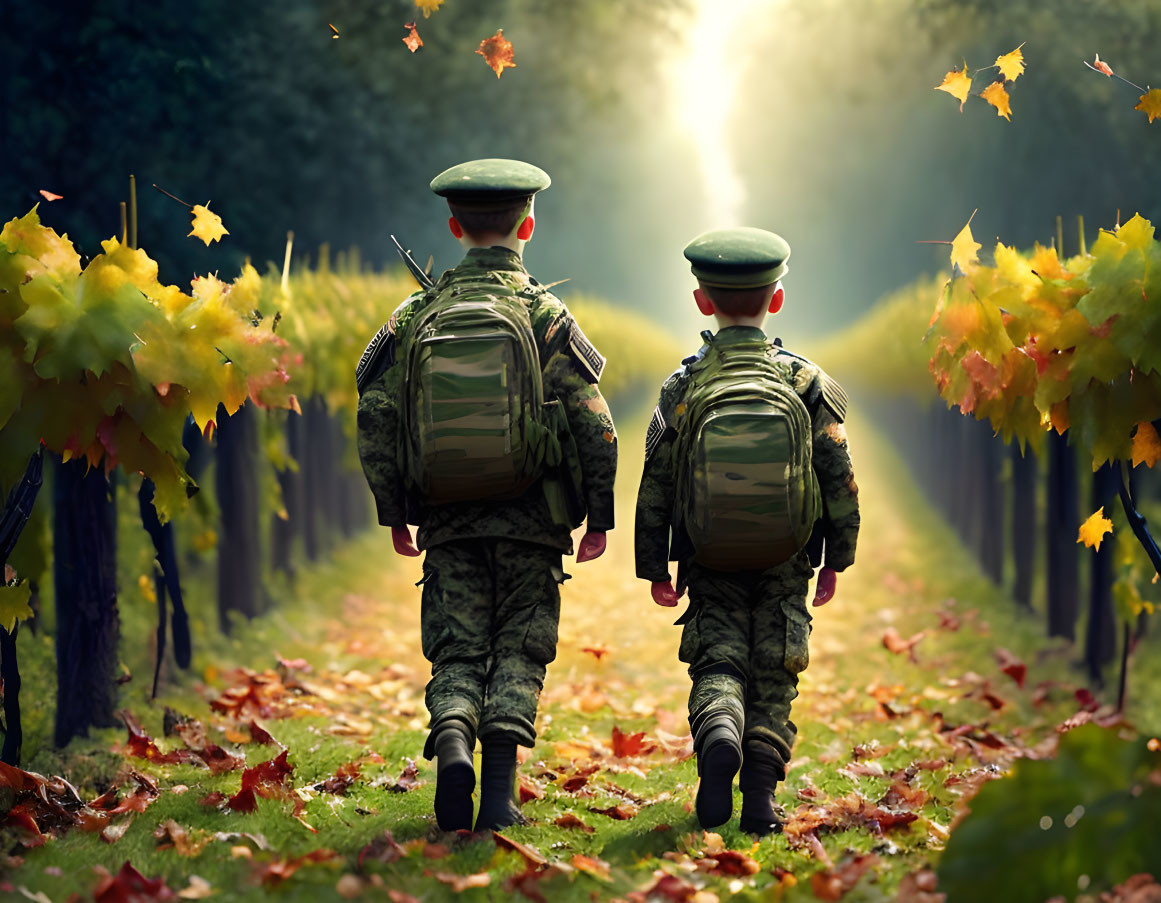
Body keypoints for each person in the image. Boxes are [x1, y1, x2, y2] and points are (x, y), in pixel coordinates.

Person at [355, 159, 618, 831]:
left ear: (452, 226)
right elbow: (595, 425)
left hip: (448, 518)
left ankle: (450, 742)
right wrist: (599, 516)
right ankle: (499, 795)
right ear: (527, 225)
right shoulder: (544, 313)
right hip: (534, 519)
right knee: (519, 649)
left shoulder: (415, 314)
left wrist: (396, 510)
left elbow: (376, 418)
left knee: (457, 647)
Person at [634, 227, 859, 836]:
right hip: (788, 557)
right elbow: (838, 475)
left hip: (709, 557)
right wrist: (839, 555)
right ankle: (759, 800)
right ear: (777, 299)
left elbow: (656, 480)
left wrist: (654, 564)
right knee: (775, 674)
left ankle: (719, 733)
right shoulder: (806, 383)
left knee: (718, 660)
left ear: (703, 301)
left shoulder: (682, 387)